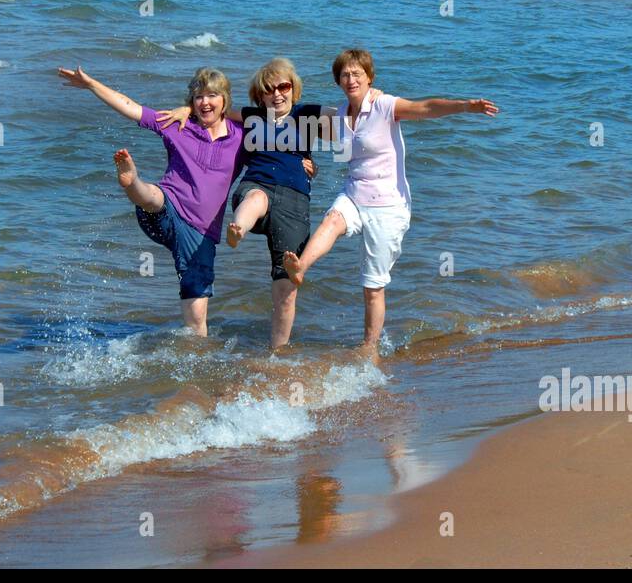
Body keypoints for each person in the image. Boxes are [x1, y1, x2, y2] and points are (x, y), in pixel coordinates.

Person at [281, 48, 498, 360]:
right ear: (338, 81)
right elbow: (288, 131)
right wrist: (302, 159)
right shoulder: (338, 115)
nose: (350, 78)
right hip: (354, 193)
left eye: (357, 73)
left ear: (369, 78)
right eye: (345, 74)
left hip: (388, 207)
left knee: (372, 287)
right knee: (331, 220)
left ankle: (369, 349)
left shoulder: (384, 106)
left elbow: (425, 107)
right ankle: (300, 266)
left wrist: (466, 106)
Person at [157, 58, 351, 349]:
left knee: (287, 285)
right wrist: (187, 108)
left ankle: (278, 352)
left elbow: (347, 117)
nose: (277, 94)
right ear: (259, 96)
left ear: (293, 88)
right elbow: (212, 111)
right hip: (256, 186)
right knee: (256, 199)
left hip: (294, 201)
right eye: (268, 89)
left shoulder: (306, 115)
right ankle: (238, 228)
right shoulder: (251, 118)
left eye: (283, 86)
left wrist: (368, 99)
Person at [56, 63, 243, 335]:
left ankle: (198, 360)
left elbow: (276, 129)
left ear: (225, 99)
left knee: (197, 317)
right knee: (155, 197)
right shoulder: (177, 125)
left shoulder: (241, 135)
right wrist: (92, 85)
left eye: (212, 95)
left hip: (202, 233)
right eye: (198, 96)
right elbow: (132, 108)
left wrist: (308, 163)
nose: (205, 102)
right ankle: (133, 182)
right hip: (167, 209)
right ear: (191, 100)